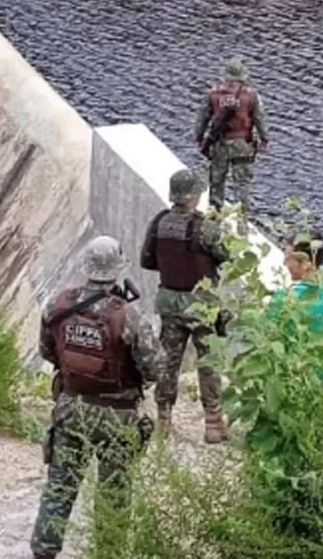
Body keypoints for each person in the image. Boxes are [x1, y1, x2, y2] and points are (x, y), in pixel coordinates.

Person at [30, 236, 162, 559]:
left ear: (86, 266)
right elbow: (154, 368)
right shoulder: (128, 316)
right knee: (114, 495)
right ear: (117, 269)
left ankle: (44, 551)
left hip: (72, 409)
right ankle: (109, 553)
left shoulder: (58, 306)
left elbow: (48, 352)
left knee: (60, 488)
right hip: (118, 417)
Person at [140, 168, 229, 443]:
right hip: (201, 306)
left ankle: (164, 419)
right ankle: (213, 422)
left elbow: (147, 260)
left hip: (169, 303)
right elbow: (226, 255)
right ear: (194, 196)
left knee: (168, 362)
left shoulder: (159, 223)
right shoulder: (206, 227)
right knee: (208, 362)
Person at [267, 230, 323, 387]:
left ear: (306, 263)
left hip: (296, 383)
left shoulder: (283, 301)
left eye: (289, 258)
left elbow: (269, 338)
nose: (284, 262)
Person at [193, 56, 270, 213]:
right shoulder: (250, 95)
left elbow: (203, 117)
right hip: (242, 145)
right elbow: (259, 118)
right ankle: (243, 220)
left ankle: (214, 218)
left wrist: (199, 138)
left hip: (220, 144)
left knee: (216, 183)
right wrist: (264, 140)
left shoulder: (213, 94)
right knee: (243, 185)